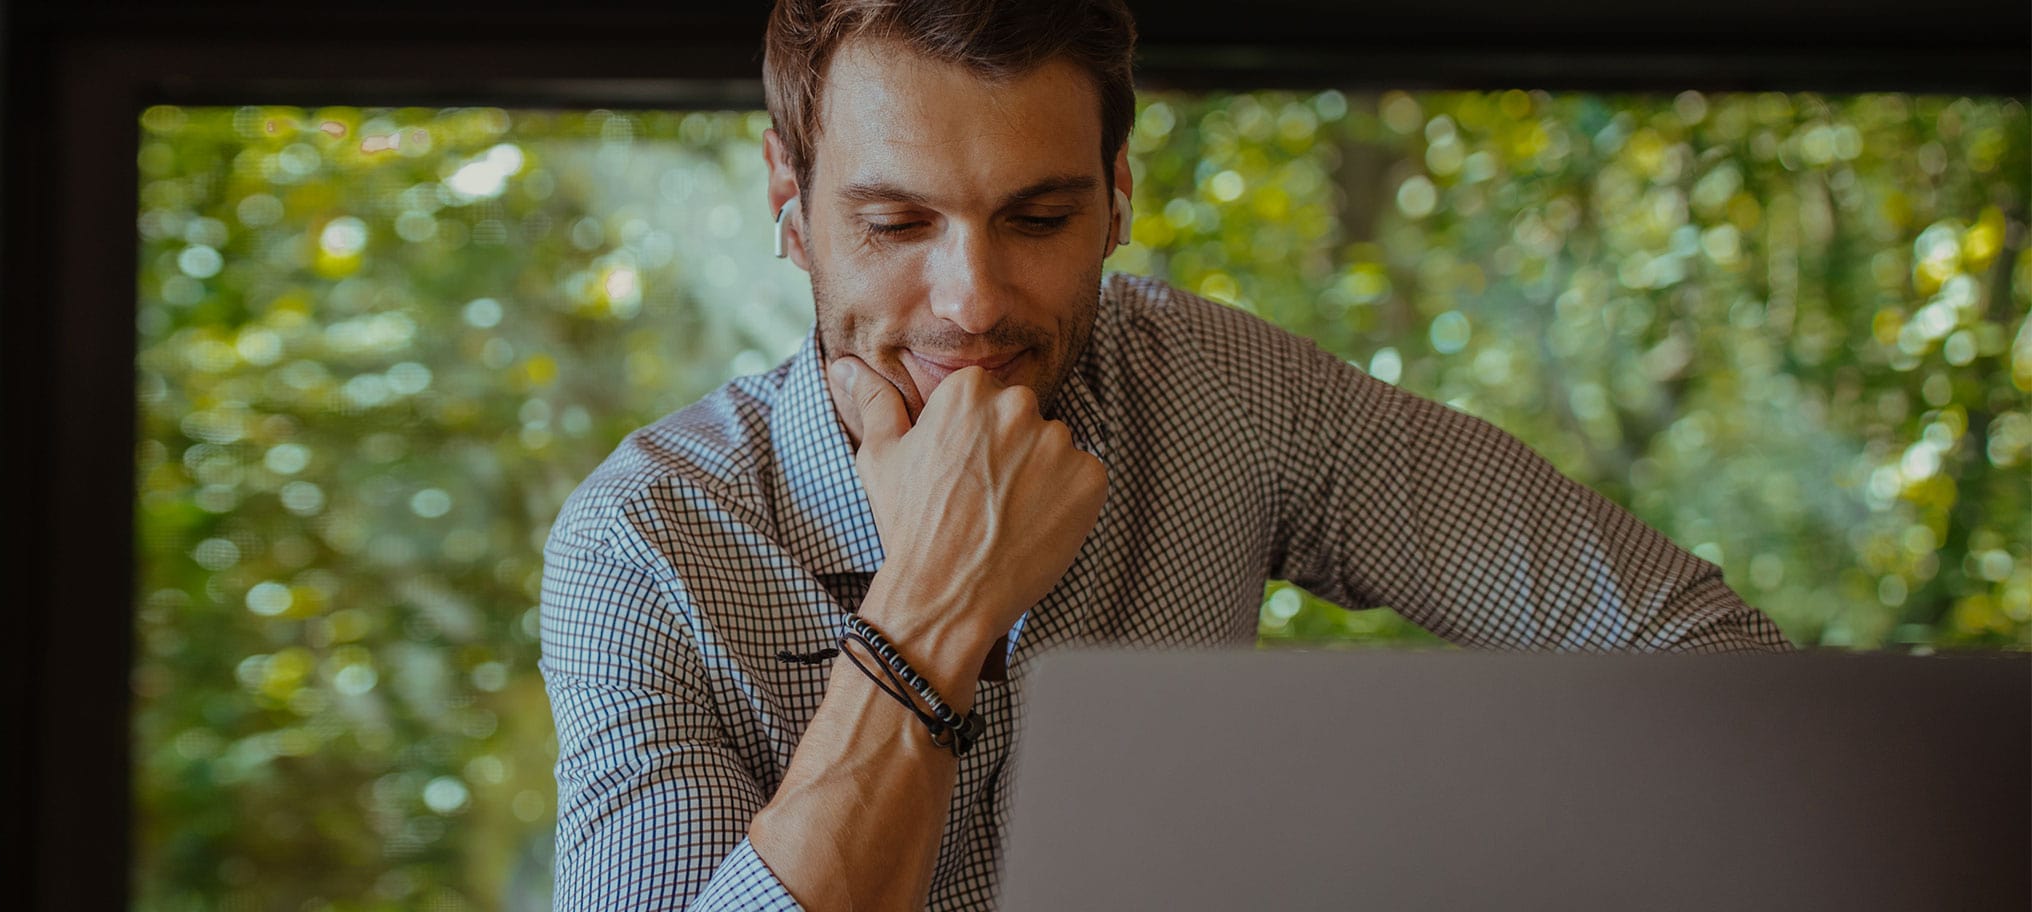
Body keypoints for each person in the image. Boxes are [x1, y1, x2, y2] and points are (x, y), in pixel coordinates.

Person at [533, 1, 1793, 908]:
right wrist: (932, 607)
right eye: (894, 223)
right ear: (787, 199)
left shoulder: (1222, 389)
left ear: (1117, 193)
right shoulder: (645, 542)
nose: (971, 301)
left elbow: (1706, 659)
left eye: (1039, 217)